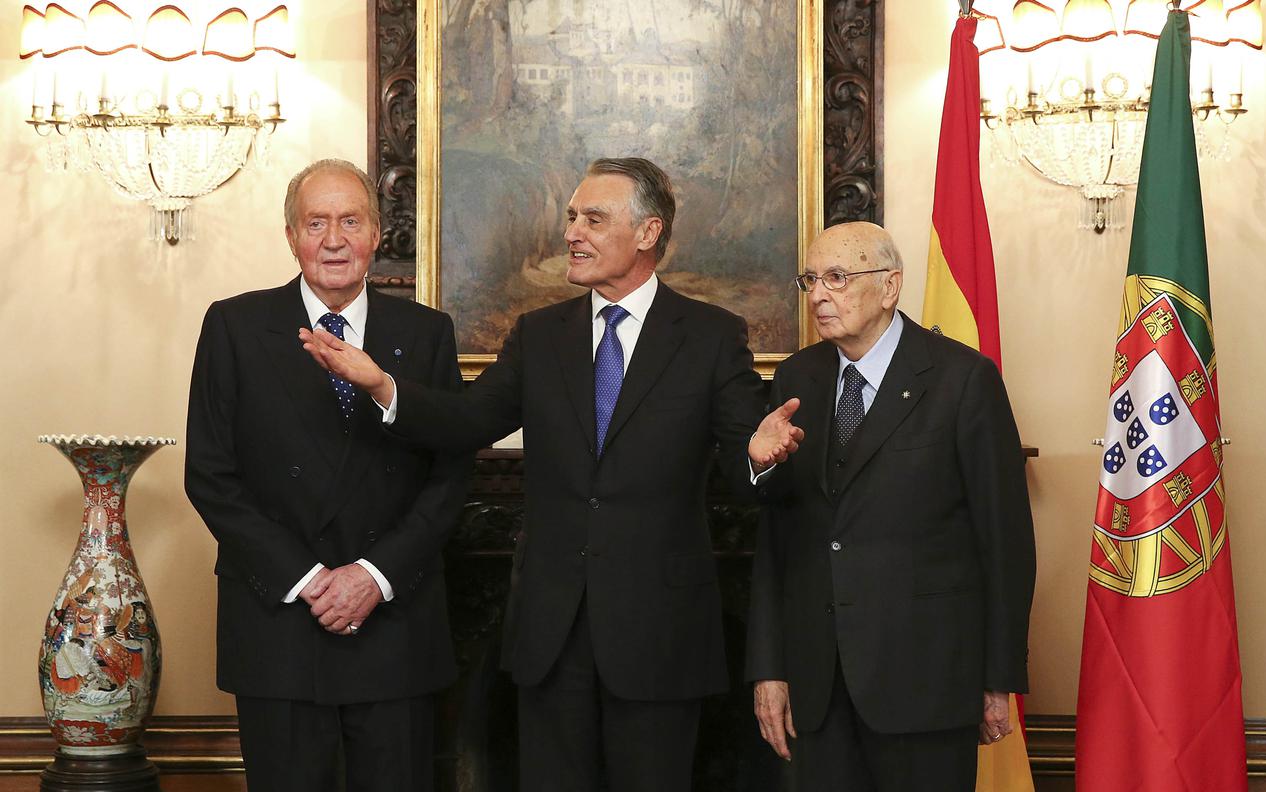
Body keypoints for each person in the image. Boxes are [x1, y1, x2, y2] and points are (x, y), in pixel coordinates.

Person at [300, 157, 773, 791]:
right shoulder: (540, 335)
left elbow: (747, 474)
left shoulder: (713, 336)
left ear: (647, 232)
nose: (572, 232)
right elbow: (467, 421)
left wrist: (759, 456)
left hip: (661, 636)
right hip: (551, 634)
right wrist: (384, 385)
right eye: (572, 216)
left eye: (594, 219)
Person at [184, 159, 470, 792]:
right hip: (279, 622)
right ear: (291, 236)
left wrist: (374, 575)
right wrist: (309, 579)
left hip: (395, 625)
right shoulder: (233, 327)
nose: (334, 239)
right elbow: (209, 475)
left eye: (350, 220)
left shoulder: (426, 334)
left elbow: (452, 475)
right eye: (316, 223)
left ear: (376, 233)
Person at [744, 221, 1036, 791]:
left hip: (927, 680)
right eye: (811, 280)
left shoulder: (962, 379)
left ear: (890, 286)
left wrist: (998, 677)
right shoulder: (797, 377)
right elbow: (778, 539)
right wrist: (769, 669)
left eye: (837, 277)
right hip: (818, 684)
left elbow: (1005, 540)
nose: (820, 295)